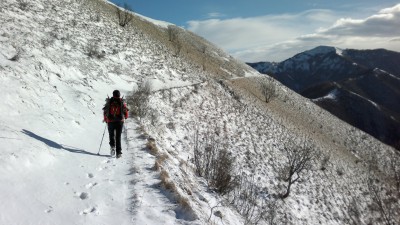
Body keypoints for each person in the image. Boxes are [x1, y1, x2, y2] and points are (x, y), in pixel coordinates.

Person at [103, 90, 129, 158]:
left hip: (110, 121)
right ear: (119, 95)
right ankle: (118, 152)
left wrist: (106, 119)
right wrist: (125, 117)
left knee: (111, 135)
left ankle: (112, 147)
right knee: (118, 137)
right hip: (119, 122)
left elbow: (105, 111)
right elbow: (125, 111)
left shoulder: (110, 101)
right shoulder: (121, 101)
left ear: (113, 95)